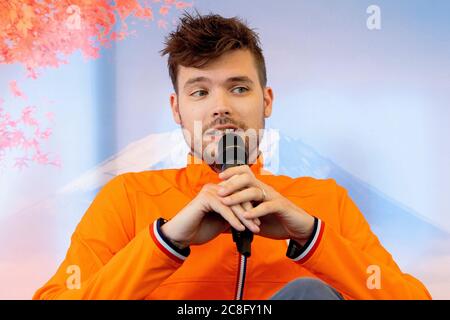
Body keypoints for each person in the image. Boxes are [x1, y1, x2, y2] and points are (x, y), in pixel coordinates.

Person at [33, 12, 431, 300]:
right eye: (200, 92)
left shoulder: (325, 203)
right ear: (176, 109)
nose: (220, 107)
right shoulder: (128, 196)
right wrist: (168, 241)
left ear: (267, 100)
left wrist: (311, 239)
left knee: (309, 292)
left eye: (238, 88)